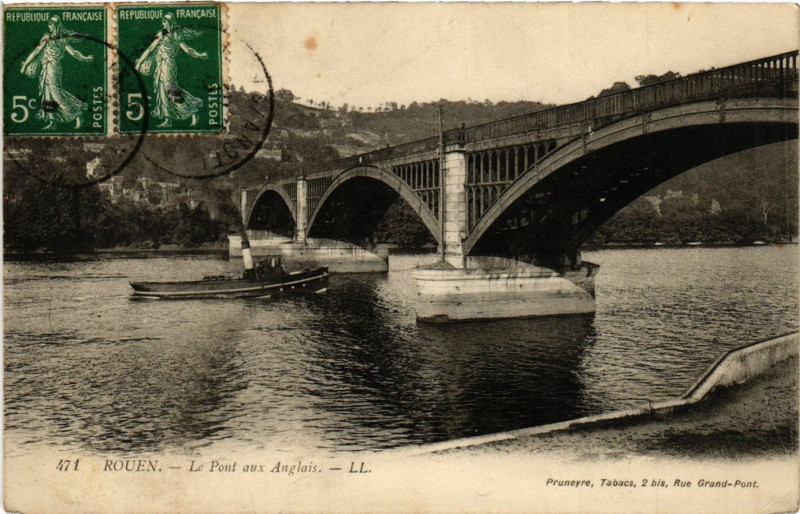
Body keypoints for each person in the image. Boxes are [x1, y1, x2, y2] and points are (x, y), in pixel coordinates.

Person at [20, 16, 93, 130]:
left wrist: (85, 58)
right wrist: (85, 58)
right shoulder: (55, 38)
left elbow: (73, 53)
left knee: (55, 93)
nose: (48, 25)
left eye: (50, 23)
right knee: (48, 94)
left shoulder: (56, 38)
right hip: (47, 68)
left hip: (53, 68)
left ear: (55, 25)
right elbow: (37, 52)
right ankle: (52, 122)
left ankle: (77, 113)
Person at [135, 13, 207, 128]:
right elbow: (150, 49)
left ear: (170, 22)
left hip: (168, 64)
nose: (163, 23)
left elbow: (187, 49)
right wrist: (138, 64)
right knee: (161, 90)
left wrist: (199, 55)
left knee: (170, 89)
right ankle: (168, 119)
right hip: (159, 65)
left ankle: (192, 109)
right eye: (162, 21)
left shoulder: (176, 35)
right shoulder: (161, 34)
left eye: (165, 21)